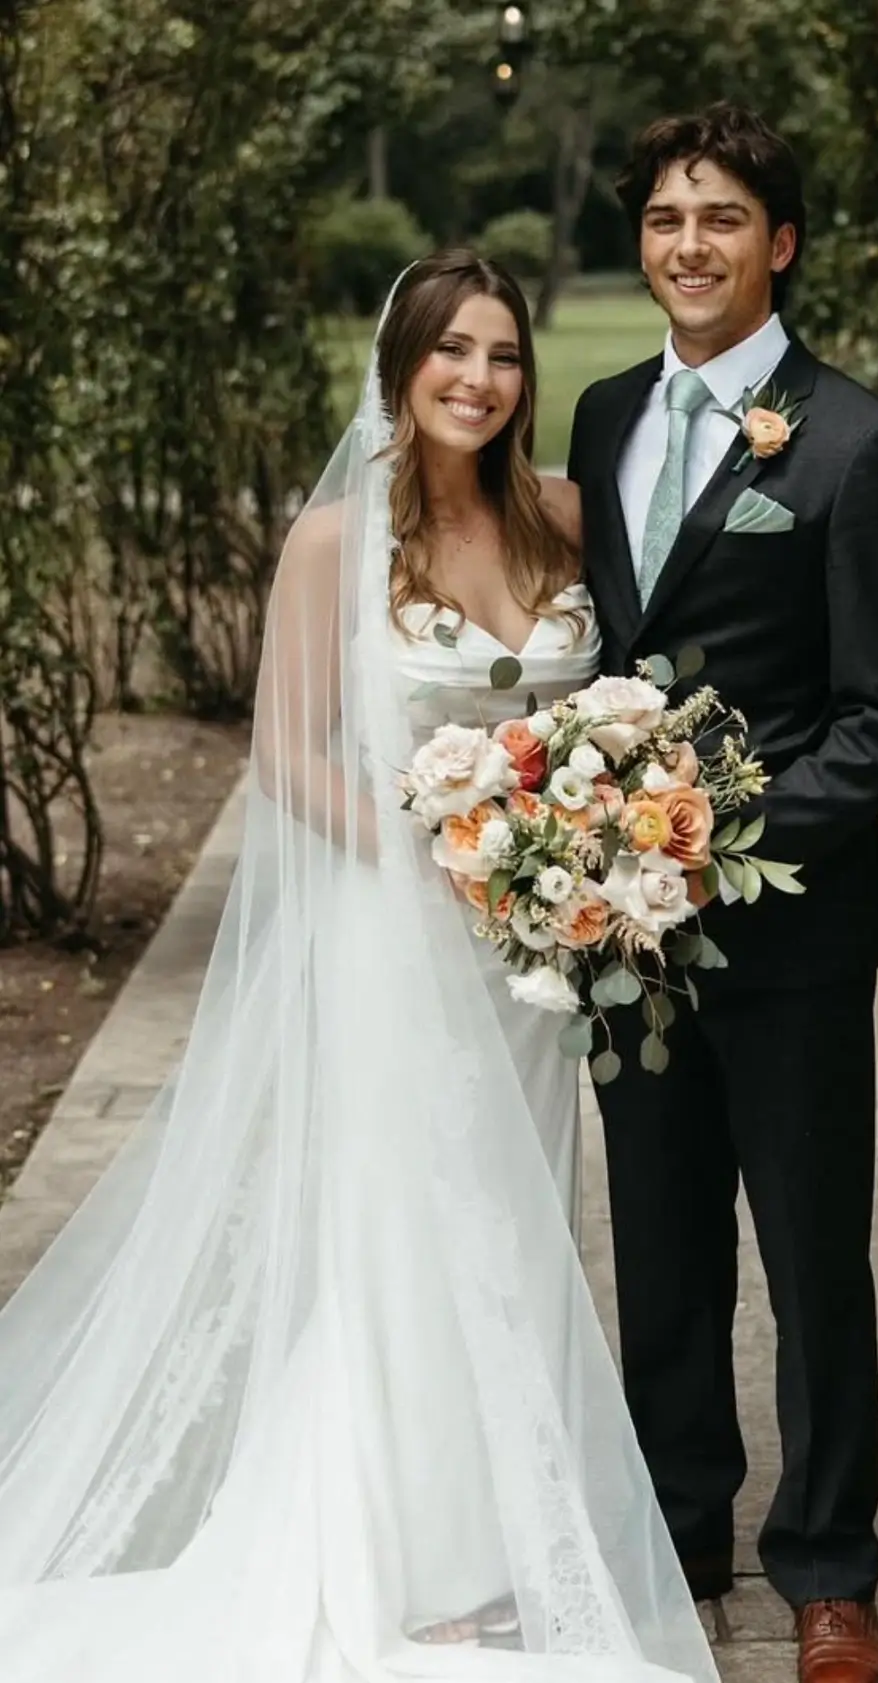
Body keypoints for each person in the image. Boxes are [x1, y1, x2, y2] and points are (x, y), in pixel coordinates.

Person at [0, 252, 718, 1683]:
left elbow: (613, 709)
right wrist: (448, 851)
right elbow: (290, 757)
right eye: (453, 349)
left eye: (505, 354)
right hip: (404, 942)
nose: (481, 377)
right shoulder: (335, 541)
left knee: (520, 1219)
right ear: (400, 366)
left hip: (541, 954)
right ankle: (425, 1557)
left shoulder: (566, 519)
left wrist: (574, 855)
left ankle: (509, 1524)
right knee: (413, 1220)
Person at [567, 104, 878, 1683]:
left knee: (810, 1251)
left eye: (721, 217)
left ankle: (831, 1564)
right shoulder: (599, 419)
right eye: (665, 218)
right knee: (658, 1241)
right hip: (619, 936)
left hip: (790, 928)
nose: (689, 245)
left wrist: (717, 838)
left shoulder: (860, 444)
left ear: (778, 243)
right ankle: (679, 1520)